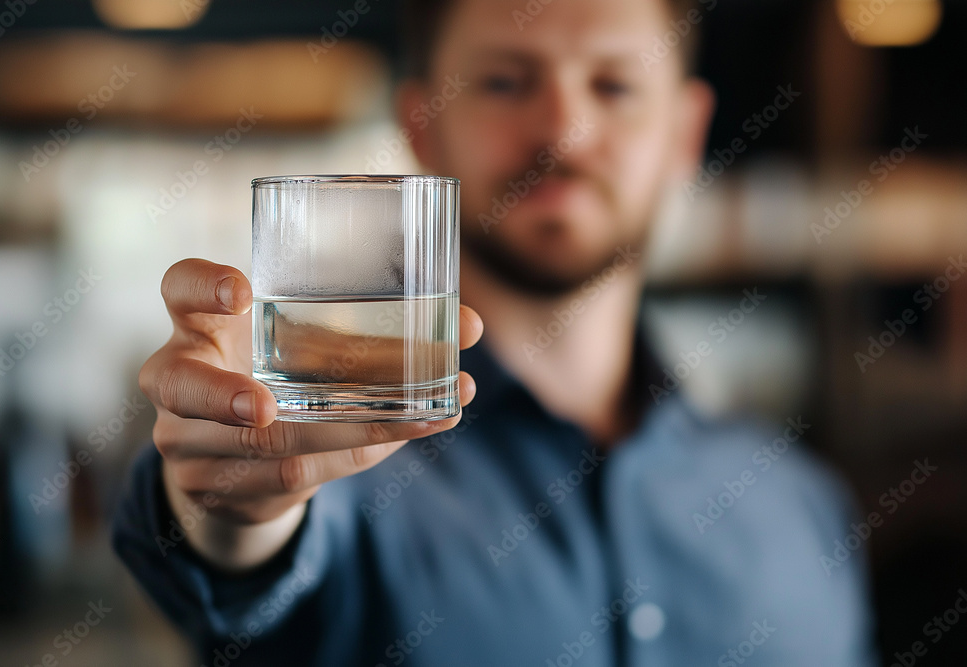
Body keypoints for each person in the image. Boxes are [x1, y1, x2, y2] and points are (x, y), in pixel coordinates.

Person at [113, 0, 877, 664]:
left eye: (613, 84)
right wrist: (223, 500)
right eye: (505, 81)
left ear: (685, 132)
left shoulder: (803, 509)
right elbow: (245, 551)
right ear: (422, 124)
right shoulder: (342, 465)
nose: (565, 130)